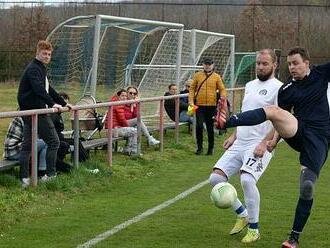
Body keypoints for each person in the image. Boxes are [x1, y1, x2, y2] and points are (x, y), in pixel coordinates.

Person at [223, 47, 330, 248]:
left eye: (296, 63)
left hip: (319, 138)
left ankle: (293, 239)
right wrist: (271, 139)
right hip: (298, 131)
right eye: (289, 64)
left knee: (307, 188)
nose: (292, 67)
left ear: (306, 63)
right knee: (273, 110)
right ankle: (228, 121)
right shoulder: (287, 89)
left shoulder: (321, 73)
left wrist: (269, 141)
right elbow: (281, 118)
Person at [209, 49, 283, 243]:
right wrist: (234, 135)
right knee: (215, 179)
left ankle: (254, 228)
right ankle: (242, 213)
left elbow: (279, 119)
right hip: (240, 140)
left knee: (247, 181)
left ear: (274, 65)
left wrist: (265, 142)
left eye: (265, 63)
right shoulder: (249, 85)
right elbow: (245, 113)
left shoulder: (279, 88)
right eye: (258, 63)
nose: (260, 66)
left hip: (259, 143)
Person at [17, 40, 72, 186]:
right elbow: (38, 89)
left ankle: (24, 178)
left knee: (28, 146)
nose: (47, 56)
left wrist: (64, 103)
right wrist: (53, 104)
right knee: (54, 141)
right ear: (38, 53)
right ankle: (50, 174)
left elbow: (49, 89)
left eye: (49, 54)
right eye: (44, 53)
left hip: (32, 111)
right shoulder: (34, 68)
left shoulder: (41, 68)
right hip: (35, 111)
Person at [188, 58, 227, 155]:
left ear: (213, 65)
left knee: (210, 127)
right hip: (199, 105)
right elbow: (192, 89)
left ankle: (210, 148)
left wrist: (222, 96)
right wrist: (191, 101)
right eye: (206, 64)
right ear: (203, 65)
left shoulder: (216, 77)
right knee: (199, 126)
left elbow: (222, 89)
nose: (207, 66)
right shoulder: (197, 75)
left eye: (209, 64)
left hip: (211, 106)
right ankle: (199, 148)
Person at [104, 89, 138, 155]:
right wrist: (128, 126)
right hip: (113, 130)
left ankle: (128, 150)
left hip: (115, 128)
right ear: (118, 96)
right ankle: (133, 151)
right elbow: (122, 120)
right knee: (134, 131)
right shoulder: (118, 104)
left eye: (125, 96)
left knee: (133, 130)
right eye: (122, 96)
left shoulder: (117, 103)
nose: (124, 97)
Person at [51, 92, 73, 173]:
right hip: (55, 139)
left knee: (77, 140)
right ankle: (70, 168)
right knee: (71, 142)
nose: (65, 107)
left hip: (58, 138)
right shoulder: (54, 115)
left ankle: (83, 161)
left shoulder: (58, 114)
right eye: (64, 104)